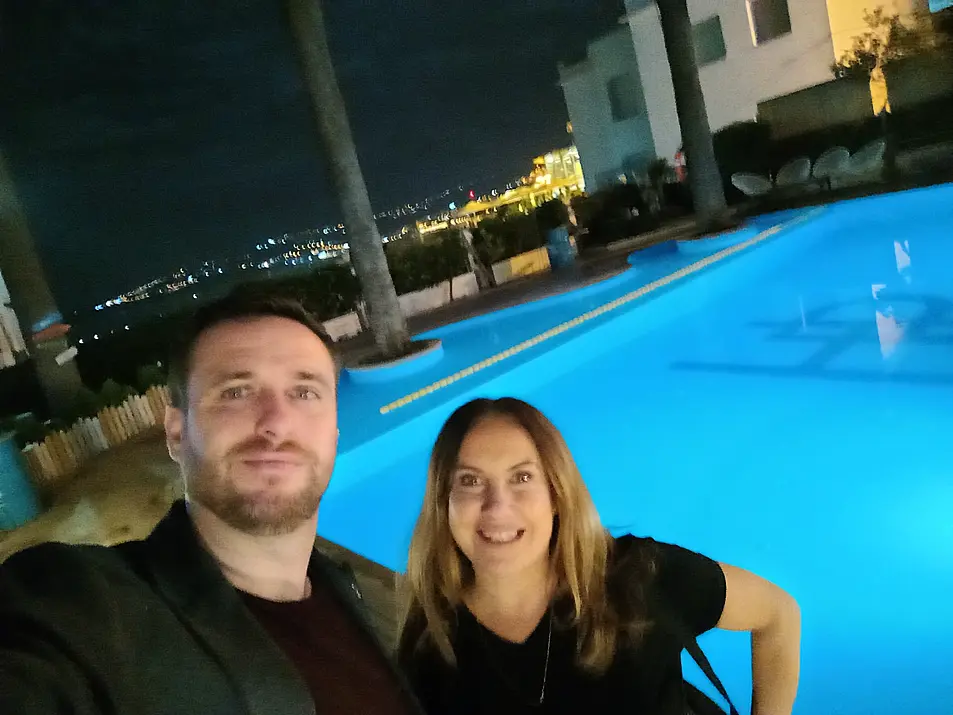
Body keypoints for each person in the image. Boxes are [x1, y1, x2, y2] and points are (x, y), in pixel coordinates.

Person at [0, 290, 423, 715]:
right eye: (236, 392)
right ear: (177, 433)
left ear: (333, 433)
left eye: (304, 392)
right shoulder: (90, 607)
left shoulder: (348, 593)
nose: (276, 422)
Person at [397, 397, 801, 715]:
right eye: (470, 481)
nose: (496, 507)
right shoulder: (429, 642)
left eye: (522, 477)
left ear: (556, 495)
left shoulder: (641, 577)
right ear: (442, 504)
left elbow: (777, 613)